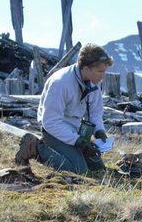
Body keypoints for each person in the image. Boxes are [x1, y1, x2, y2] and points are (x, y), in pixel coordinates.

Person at [15, 44, 112, 175]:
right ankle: (35, 147)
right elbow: (50, 122)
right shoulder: (60, 83)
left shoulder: (94, 81)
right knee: (78, 170)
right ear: (86, 68)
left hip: (76, 130)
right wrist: (77, 141)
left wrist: (99, 131)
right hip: (54, 131)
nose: (103, 76)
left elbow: (95, 112)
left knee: (97, 168)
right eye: (100, 71)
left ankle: (73, 152)